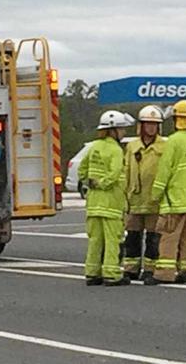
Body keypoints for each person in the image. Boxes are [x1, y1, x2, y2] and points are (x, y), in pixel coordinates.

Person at [145, 100, 186, 285]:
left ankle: (164, 273)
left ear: (177, 119)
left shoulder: (174, 141)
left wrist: (155, 195)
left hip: (175, 201)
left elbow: (165, 170)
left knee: (169, 238)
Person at [78, 110, 135, 286]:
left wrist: (91, 182)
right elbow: (115, 174)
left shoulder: (94, 146)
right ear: (113, 130)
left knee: (95, 240)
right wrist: (103, 183)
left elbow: (82, 170)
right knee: (113, 240)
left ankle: (92, 273)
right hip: (111, 204)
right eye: (122, 129)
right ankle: (112, 274)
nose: (124, 133)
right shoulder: (116, 150)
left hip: (94, 204)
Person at [123, 105, 167, 280]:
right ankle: (131, 269)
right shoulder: (132, 146)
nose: (151, 128)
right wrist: (124, 196)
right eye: (148, 124)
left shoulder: (164, 146)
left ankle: (150, 270)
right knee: (132, 237)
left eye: (155, 124)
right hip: (134, 199)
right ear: (141, 125)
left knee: (153, 238)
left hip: (153, 200)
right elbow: (126, 170)